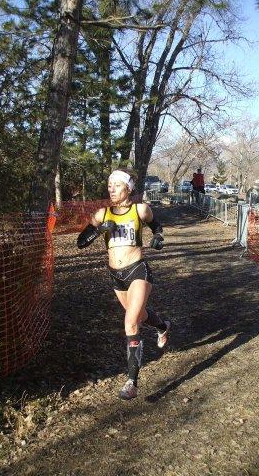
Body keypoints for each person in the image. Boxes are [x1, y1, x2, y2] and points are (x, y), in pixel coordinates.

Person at [76, 169, 171, 400]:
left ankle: (132, 382)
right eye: (109, 185)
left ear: (128, 188)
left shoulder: (140, 209)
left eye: (116, 185)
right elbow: (80, 243)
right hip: (115, 275)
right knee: (138, 317)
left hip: (138, 269)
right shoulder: (102, 214)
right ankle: (162, 325)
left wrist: (158, 237)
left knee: (130, 322)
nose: (111, 189)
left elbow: (157, 227)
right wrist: (99, 230)